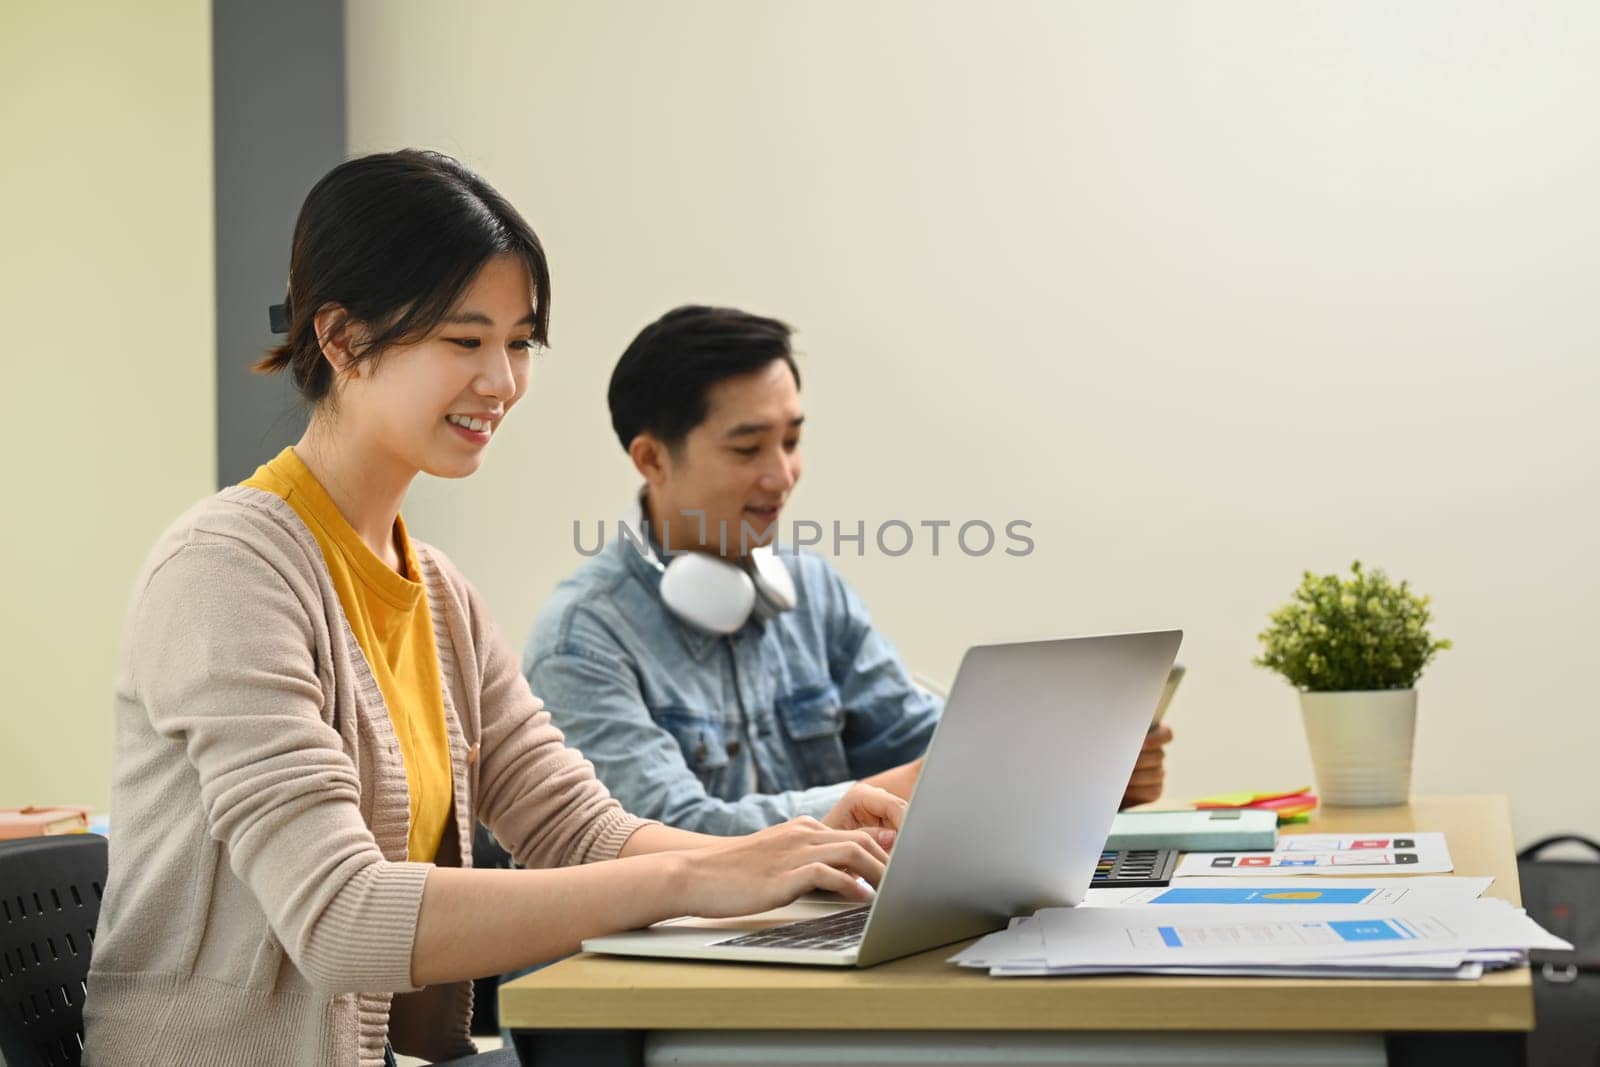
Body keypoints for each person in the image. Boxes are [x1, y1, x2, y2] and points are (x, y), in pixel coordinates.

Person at [82, 151, 903, 1067]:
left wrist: (789, 856)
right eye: (465, 341)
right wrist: (702, 873)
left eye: (519, 342)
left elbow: (579, 830)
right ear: (344, 339)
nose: (503, 381)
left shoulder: (435, 592)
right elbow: (343, 917)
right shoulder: (226, 572)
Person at [523, 306, 1173, 836]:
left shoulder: (811, 591)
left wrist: (1078, 770)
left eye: (793, 440)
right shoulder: (582, 640)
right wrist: (909, 786)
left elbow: (922, 736)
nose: (781, 476)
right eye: (748, 447)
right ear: (651, 459)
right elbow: (669, 834)